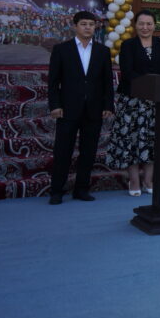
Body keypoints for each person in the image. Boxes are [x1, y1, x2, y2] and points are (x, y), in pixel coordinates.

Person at [46, 11, 115, 204]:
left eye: (91, 24)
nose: (87, 27)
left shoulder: (102, 51)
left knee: (88, 151)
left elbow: (107, 81)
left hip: (94, 109)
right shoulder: (61, 49)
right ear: (75, 26)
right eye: (83, 24)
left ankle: (81, 189)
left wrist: (108, 104)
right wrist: (55, 105)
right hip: (67, 109)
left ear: (95, 27)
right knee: (63, 150)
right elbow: (53, 81)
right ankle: (57, 191)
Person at [106, 10, 160, 196]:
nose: (145, 27)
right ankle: (134, 180)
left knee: (152, 141)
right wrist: (149, 85)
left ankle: (148, 180)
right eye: (141, 23)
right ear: (135, 25)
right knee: (132, 140)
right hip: (132, 101)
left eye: (149, 24)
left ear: (154, 25)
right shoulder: (128, 45)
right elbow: (128, 72)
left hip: (156, 102)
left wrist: (156, 88)